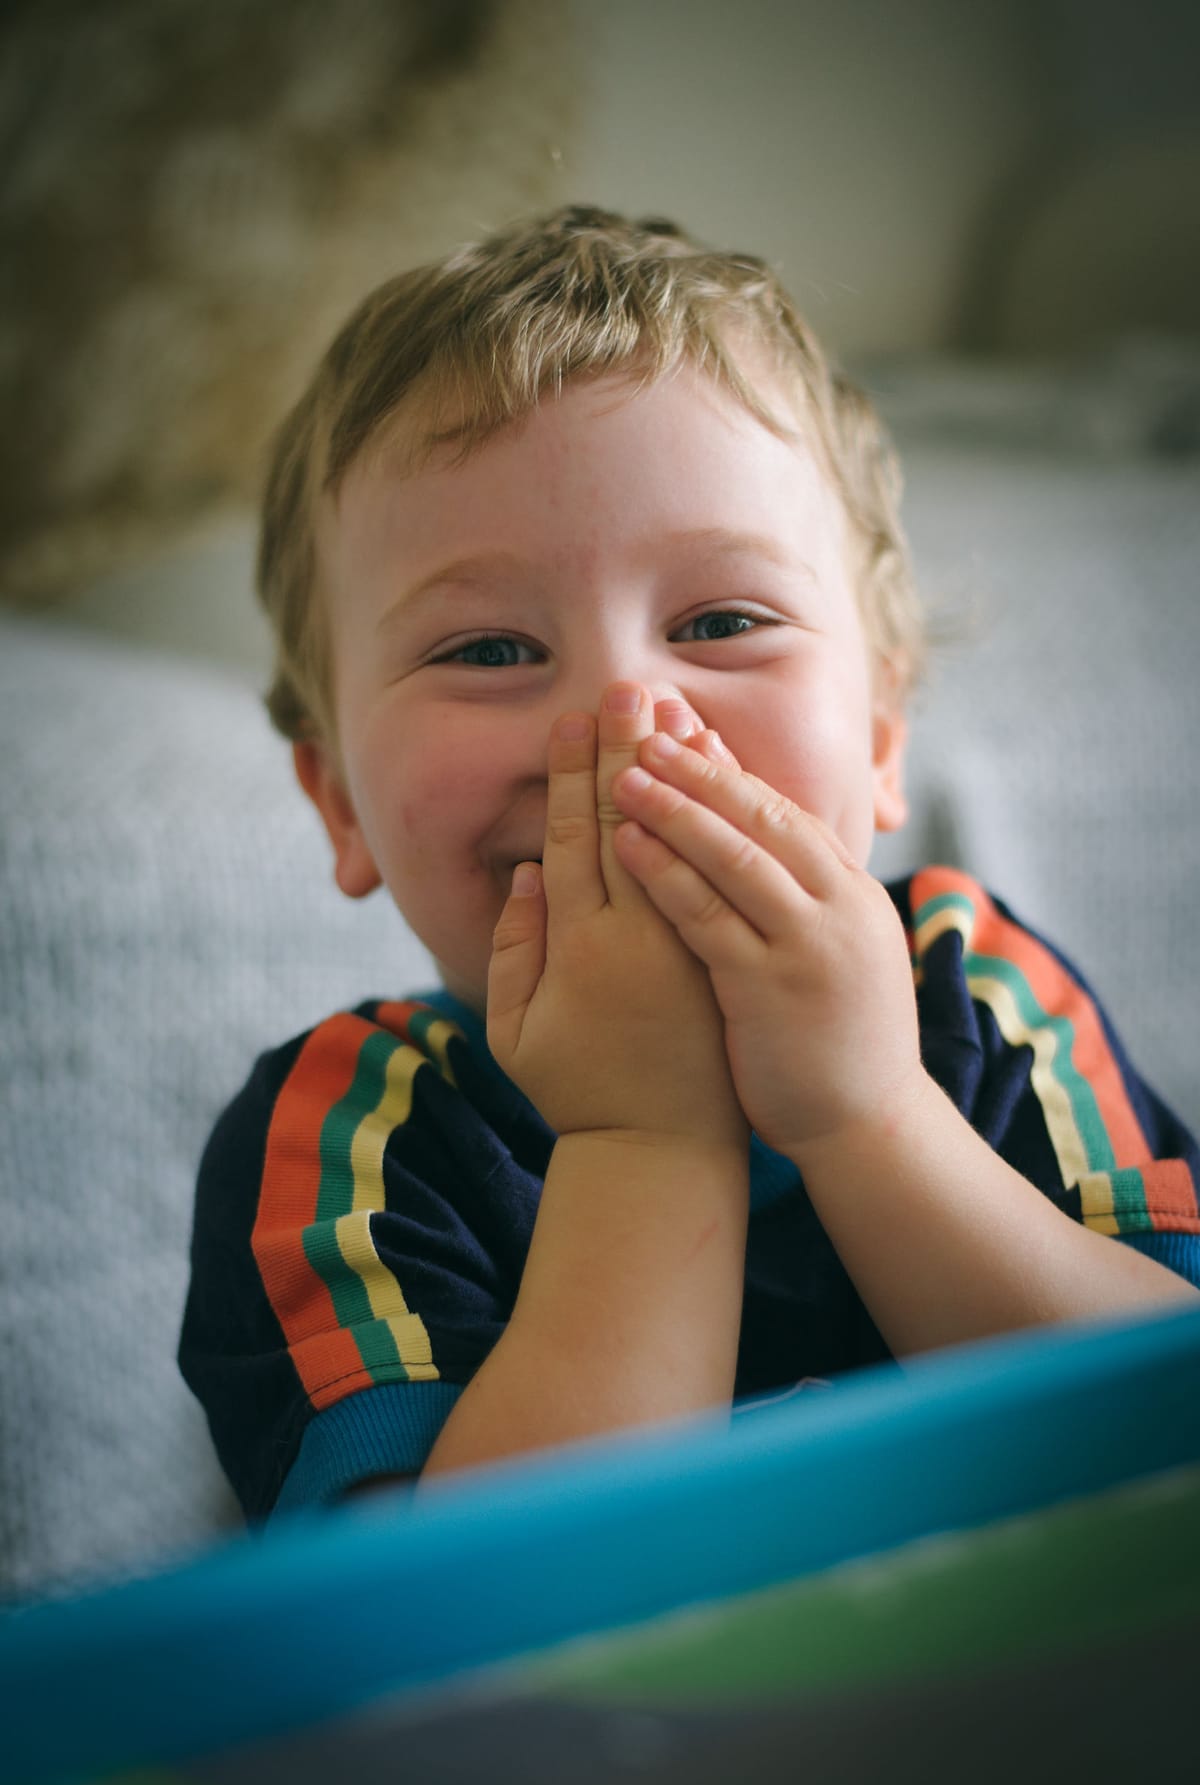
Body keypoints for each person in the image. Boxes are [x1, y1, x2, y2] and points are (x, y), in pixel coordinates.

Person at [179, 205, 1200, 1520]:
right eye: (486, 649)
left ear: (882, 739)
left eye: (721, 621)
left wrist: (869, 1115)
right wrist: (644, 1142)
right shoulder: (344, 1136)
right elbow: (453, 1638)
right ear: (341, 806)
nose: (626, 719)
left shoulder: (972, 982)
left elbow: (1168, 1430)